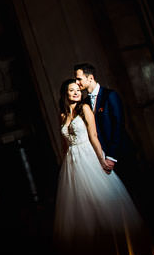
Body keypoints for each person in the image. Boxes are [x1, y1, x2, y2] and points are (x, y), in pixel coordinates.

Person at [53, 79, 142, 246]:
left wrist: (102, 159)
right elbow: (63, 143)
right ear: (65, 93)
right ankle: (94, 242)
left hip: (88, 154)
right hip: (71, 160)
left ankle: (117, 238)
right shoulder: (62, 115)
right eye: (72, 90)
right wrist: (63, 162)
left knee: (99, 194)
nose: (76, 92)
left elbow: (94, 136)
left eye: (78, 90)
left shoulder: (85, 109)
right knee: (78, 202)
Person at [73, 63, 132, 169]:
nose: (76, 82)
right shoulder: (85, 103)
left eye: (79, 79)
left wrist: (112, 156)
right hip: (102, 158)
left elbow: (119, 126)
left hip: (121, 154)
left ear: (90, 78)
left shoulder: (110, 95)